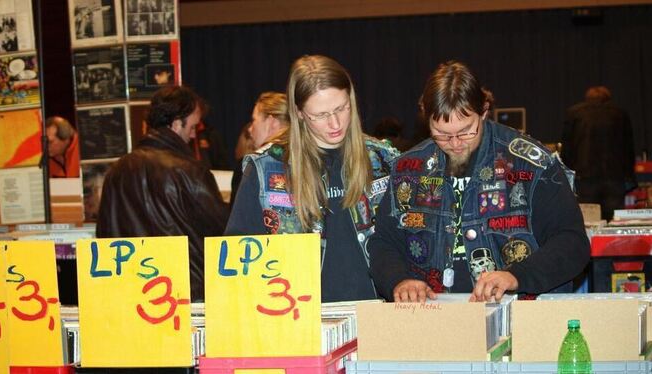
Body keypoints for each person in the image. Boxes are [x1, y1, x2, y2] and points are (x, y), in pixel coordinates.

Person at [369, 60, 590, 303]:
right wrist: (398, 280)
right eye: (441, 134)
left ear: (484, 111)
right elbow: (384, 242)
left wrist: (516, 276)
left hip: (518, 316)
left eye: (466, 131)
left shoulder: (531, 163)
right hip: (435, 318)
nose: (455, 142)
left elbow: (572, 242)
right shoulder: (408, 169)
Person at [226, 55, 399, 302]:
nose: (335, 123)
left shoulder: (384, 160)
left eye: (341, 108)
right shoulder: (265, 168)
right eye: (320, 115)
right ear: (298, 114)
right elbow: (239, 255)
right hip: (299, 320)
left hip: (376, 314)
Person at [96, 86, 229, 301]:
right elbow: (223, 231)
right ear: (177, 124)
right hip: (184, 294)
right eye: (193, 127)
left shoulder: (116, 171)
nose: (194, 134)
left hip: (131, 292)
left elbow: (104, 234)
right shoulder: (191, 171)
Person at [561, 86, 635, 221]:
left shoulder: (574, 114)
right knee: (614, 220)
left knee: (588, 221)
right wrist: (629, 175)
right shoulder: (620, 114)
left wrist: (568, 174)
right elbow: (628, 147)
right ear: (608, 98)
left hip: (584, 178)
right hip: (614, 177)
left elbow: (567, 149)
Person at [231, 92, 290, 206]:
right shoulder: (308, 160)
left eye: (254, 120)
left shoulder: (253, 164)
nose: (250, 129)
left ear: (271, 123)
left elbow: (240, 219)